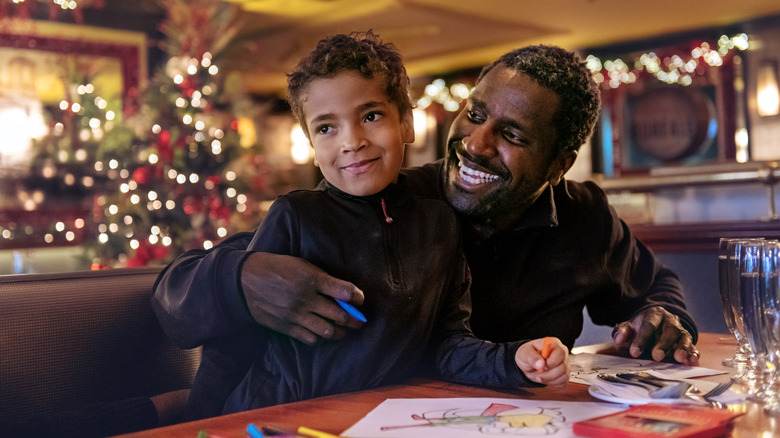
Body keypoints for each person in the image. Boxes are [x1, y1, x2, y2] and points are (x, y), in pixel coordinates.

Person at [153, 42, 699, 408]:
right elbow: (178, 285)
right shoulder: (387, 197)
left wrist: (663, 316)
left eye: (513, 135)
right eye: (476, 114)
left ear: (559, 165)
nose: (475, 144)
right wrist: (242, 278)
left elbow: (655, 288)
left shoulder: (585, 218)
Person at [172, 31, 569, 418]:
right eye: (327, 128)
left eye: (371, 116)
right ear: (312, 147)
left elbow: (447, 345)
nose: (352, 141)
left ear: (407, 125)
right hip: (277, 418)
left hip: (377, 421)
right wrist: (200, 422)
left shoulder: (440, 224)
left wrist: (513, 360)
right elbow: (232, 342)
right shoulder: (294, 216)